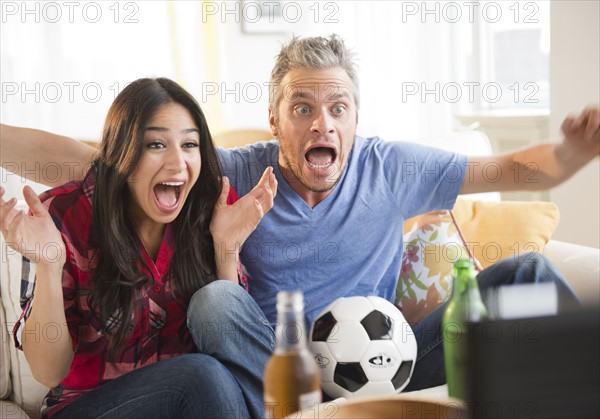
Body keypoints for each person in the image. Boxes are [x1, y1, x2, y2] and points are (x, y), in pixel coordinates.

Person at [1, 35, 599, 393]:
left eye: (339, 107)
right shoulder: (231, 171)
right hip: (275, 372)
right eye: (303, 107)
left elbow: (510, 171)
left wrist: (572, 152)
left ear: (356, 120)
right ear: (274, 119)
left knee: (525, 275)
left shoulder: (391, 167)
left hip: (382, 362)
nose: (323, 123)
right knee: (214, 302)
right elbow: (96, 161)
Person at [0, 77, 278, 418]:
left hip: (195, 405)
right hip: (90, 406)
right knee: (201, 374)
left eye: (189, 145)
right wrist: (49, 263)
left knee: (216, 308)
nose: (177, 163)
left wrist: (226, 249)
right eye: (156, 145)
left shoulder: (211, 209)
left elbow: (232, 345)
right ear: (122, 152)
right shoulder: (60, 217)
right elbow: (48, 372)